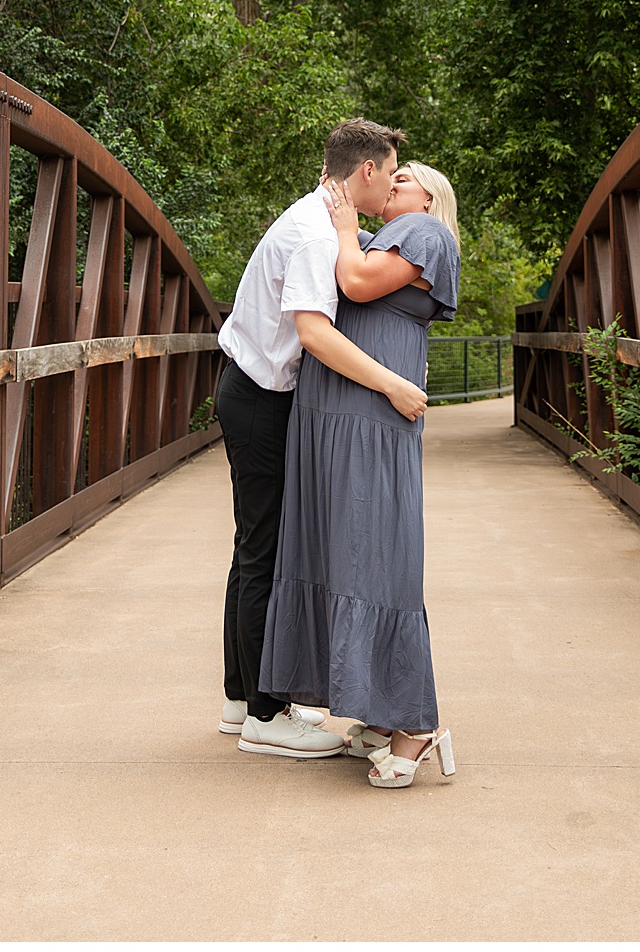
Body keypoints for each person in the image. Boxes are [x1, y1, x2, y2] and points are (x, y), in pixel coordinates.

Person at [214, 120, 430, 760]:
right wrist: (393, 385)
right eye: (390, 172)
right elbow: (315, 334)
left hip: (249, 390)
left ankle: (240, 697)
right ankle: (264, 714)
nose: (393, 183)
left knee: (256, 545)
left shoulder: (316, 218)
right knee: (266, 552)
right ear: (366, 172)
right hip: (260, 400)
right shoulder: (313, 234)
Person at [259, 160, 461, 789]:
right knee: (337, 553)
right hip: (329, 416)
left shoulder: (427, 233)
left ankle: (414, 725)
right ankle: (374, 711)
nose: (392, 186)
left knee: (377, 553)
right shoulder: (378, 236)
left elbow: (357, 281)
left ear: (429, 197)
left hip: (373, 414)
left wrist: (344, 225)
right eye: (391, 178)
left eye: (404, 181)